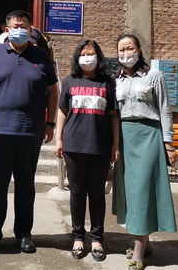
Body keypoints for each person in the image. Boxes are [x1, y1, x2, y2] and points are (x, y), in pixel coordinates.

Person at [0, 10, 59, 256]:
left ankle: (23, 234)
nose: (19, 30)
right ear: (7, 29)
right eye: (15, 26)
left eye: (24, 26)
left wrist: (50, 123)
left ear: (31, 30)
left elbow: (53, 91)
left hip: (30, 131)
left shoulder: (41, 56)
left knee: (25, 186)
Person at [112, 34, 178, 270]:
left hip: (149, 136)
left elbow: (164, 109)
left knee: (143, 191)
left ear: (139, 50)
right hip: (125, 137)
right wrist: (113, 143)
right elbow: (114, 114)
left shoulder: (154, 76)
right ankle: (145, 242)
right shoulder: (115, 80)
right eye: (121, 50)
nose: (126, 53)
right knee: (131, 193)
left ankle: (138, 251)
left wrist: (168, 143)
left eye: (130, 48)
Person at [54, 39, 120, 262]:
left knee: (97, 194)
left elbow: (114, 116)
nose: (87, 58)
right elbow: (62, 111)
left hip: (100, 146)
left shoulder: (107, 83)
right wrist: (58, 139)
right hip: (74, 145)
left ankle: (97, 239)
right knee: (77, 193)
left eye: (91, 54)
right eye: (83, 54)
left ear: (98, 57)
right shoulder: (70, 81)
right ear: (77, 57)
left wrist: (115, 144)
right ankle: (78, 238)